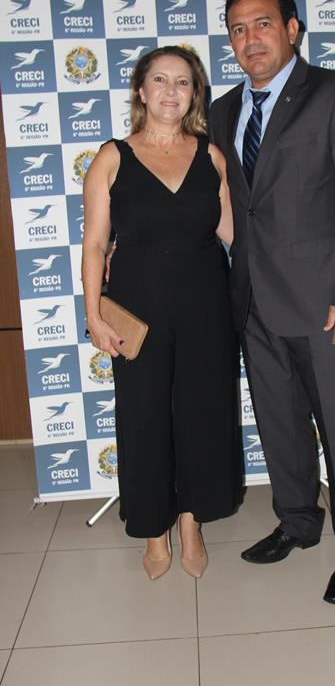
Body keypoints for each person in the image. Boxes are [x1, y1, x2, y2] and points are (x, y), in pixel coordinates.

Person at [209, 0, 335, 604]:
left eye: (262, 23)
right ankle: (298, 521)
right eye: (238, 29)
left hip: (325, 302)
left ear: (291, 29)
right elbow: (234, 205)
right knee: (278, 422)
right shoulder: (224, 111)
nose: (250, 38)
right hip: (253, 299)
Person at [82, 45, 242, 581]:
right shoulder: (112, 157)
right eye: (160, 80)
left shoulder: (211, 157)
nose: (171, 91)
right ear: (141, 90)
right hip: (139, 308)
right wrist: (94, 315)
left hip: (206, 306)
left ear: (195, 94)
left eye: (183, 82)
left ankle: (192, 524)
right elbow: (94, 244)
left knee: (202, 414)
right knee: (144, 417)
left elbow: (234, 234)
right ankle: (155, 531)